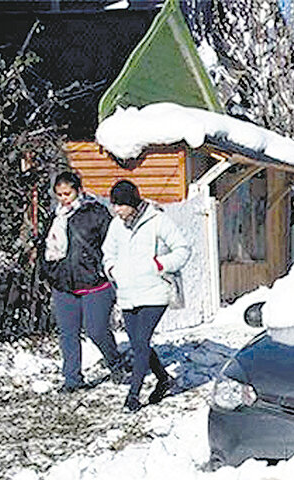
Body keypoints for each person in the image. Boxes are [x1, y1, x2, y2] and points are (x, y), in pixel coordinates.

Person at [102, 179, 190, 413]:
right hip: (128, 293)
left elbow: (183, 249)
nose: (116, 210)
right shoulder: (116, 226)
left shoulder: (157, 221)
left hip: (155, 292)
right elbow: (108, 253)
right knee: (138, 343)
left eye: (120, 204)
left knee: (140, 344)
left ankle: (133, 395)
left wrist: (159, 264)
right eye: (114, 205)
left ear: (132, 202)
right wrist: (112, 269)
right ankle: (163, 380)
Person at [41, 171, 124, 392]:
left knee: (96, 329)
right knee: (68, 333)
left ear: (78, 190)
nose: (63, 199)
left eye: (67, 193)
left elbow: (113, 242)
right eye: (59, 194)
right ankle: (72, 380)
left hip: (94, 282)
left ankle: (116, 362)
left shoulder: (95, 213)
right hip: (64, 284)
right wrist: (49, 271)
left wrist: (107, 268)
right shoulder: (55, 217)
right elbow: (47, 247)